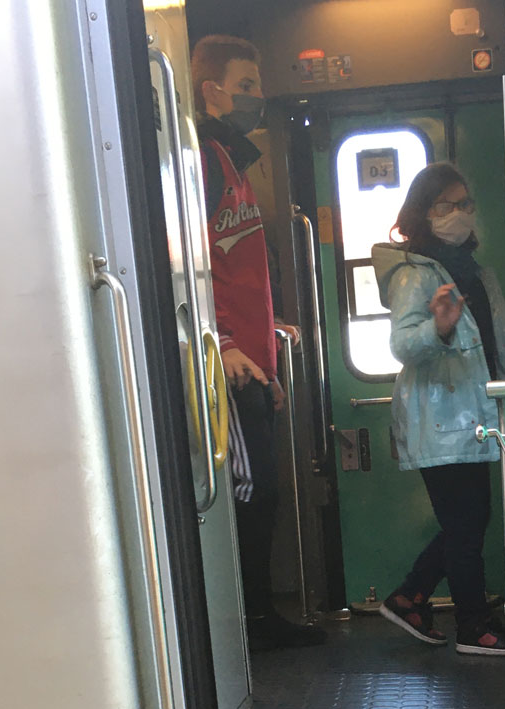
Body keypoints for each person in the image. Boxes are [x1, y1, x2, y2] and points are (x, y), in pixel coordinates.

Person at [191, 35, 325, 649]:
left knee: (263, 489)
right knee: (251, 489)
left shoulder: (235, 164)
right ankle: (247, 623)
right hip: (227, 363)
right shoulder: (203, 162)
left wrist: (267, 348)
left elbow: (240, 274)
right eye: (245, 86)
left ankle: (259, 617)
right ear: (211, 91)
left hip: (251, 359)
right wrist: (221, 342)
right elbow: (189, 268)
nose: (256, 97)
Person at [371, 163, 505, 656]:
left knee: (469, 523)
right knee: (466, 528)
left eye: (465, 204)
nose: (459, 214)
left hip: (478, 416)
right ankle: (474, 627)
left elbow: (501, 345)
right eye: (446, 205)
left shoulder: (476, 273)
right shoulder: (413, 273)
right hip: (440, 418)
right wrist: (438, 327)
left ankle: (410, 598)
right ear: (423, 212)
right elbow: (402, 346)